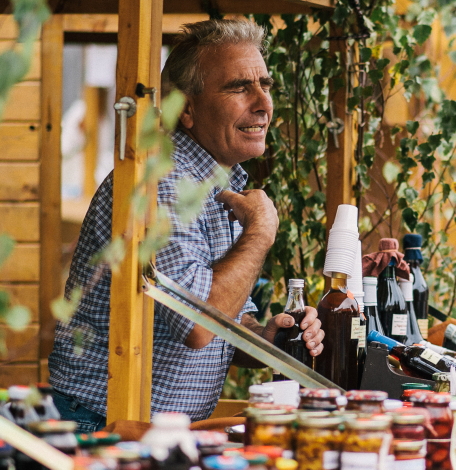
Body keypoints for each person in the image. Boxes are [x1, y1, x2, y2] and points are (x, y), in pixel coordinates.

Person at [47, 19, 325, 432]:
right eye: (239, 87)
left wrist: (266, 335)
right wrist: (261, 233)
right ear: (187, 110)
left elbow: (224, 315)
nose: (263, 103)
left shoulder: (218, 182)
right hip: (97, 425)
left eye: (265, 84)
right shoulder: (165, 183)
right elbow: (198, 325)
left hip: (153, 427)